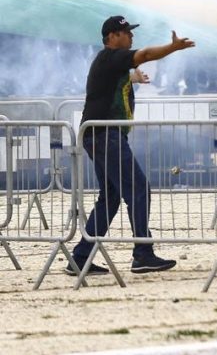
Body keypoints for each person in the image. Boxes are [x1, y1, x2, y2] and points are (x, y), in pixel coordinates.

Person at [68, 16, 195, 276]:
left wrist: (132, 79)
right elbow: (146, 54)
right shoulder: (111, 57)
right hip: (105, 135)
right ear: (112, 37)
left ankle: (80, 258)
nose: (131, 36)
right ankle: (143, 254)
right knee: (138, 189)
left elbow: (114, 84)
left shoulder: (110, 63)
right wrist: (172, 48)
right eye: (126, 32)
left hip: (99, 135)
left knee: (111, 197)